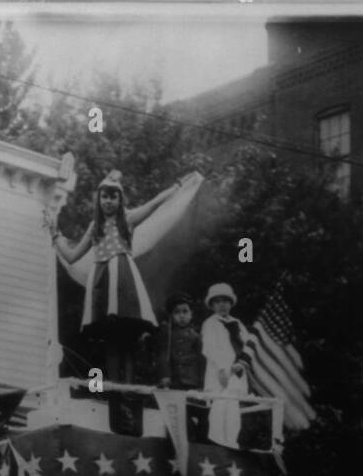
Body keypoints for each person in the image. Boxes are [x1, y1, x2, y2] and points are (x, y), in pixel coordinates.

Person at [52, 170, 181, 384]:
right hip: (102, 282)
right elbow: (72, 256)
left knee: (127, 336)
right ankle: (113, 386)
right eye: (105, 196)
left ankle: (128, 387)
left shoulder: (127, 219)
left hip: (122, 280)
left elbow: (153, 204)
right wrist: (55, 235)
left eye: (113, 196)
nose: (109, 201)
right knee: (110, 337)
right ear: (99, 199)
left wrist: (175, 188)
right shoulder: (95, 227)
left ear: (120, 199)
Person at [201, 283, 251, 448]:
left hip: (237, 373)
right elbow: (209, 347)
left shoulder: (238, 324)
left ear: (231, 303)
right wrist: (222, 368)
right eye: (217, 301)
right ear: (212, 305)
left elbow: (247, 346)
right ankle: (217, 443)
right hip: (219, 372)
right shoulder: (210, 323)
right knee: (219, 407)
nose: (222, 305)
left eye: (225, 301)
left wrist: (242, 363)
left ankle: (231, 443)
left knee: (233, 410)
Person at [154, 292, 205, 390]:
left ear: (191, 314)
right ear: (171, 316)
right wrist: (165, 375)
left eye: (185, 311)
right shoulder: (168, 335)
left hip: (191, 381)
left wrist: (202, 382)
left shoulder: (196, 337)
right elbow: (163, 356)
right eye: (177, 312)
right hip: (173, 381)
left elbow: (201, 361)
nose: (181, 316)